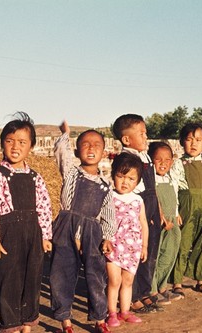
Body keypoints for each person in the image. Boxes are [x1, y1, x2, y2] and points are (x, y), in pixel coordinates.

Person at [0, 112, 53, 333]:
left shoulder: (36, 177)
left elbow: (44, 208)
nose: (15, 147)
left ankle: (27, 323)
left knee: (32, 279)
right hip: (8, 235)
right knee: (9, 280)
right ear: (2, 143)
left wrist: (46, 236)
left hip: (33, 233)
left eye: (22, 142)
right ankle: (10, 325)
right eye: (9, 141)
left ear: (31, 146)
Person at [50, 121, 115, 333]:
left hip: (92, 232)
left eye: (96, 144)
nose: (91, 148)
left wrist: (107, 237)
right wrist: (65, 134)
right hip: (66, 226)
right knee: (62, 273)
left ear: (104, 152)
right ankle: (65, 321)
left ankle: (99, 319)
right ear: (77, 151)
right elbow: (61, 151)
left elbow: (108, 214)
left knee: (95, 276)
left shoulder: (106, 185)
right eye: (85, 144)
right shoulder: (70, 172)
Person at [111, 114, 164, 313]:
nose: (146, 137)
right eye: (141, 133)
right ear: (126, 139)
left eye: (145, 133)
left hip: (151, 208)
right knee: (135, 256)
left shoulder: (145, 156)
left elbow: (153, 187)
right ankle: (132, 297)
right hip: (137, 211)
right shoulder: (127, 160)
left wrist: (158, 210)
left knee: (149, 253)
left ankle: (144, 291)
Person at [171, 122, 202, 296]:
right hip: (186, 204)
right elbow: (173, 187)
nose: (194, 144)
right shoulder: (178, 163)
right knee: (183, 243)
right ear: (181, 142)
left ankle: (201, 279)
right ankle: (177, 282)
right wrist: (176, 212)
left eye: (198, 140)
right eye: (189, 139)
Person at [105, 153, 148, 328]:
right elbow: (103, 220)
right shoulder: (109, 197)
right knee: (114, 280)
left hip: (133, 247)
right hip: (114, 246)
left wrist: (144, 245)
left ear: (137, 181)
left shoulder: (138, 199)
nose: (125, 182)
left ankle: (124, 311)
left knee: (128, 281)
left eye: (131, 178)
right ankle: (112, 313)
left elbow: (143, 223)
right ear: (113, 175)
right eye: (121, 176)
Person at [148, 142, 183, 304]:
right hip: (158, 221)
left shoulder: (171, 177)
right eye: (158, 159)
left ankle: (163, 285)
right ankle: (152, 289)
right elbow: (154, 200)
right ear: (151, 160)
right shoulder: (150, 178)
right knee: (154, 254)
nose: (163, 163)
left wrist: (176, 214)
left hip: (172, 219)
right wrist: (161, 217)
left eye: (167, 160)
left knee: (170, 253)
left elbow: (174, 196)